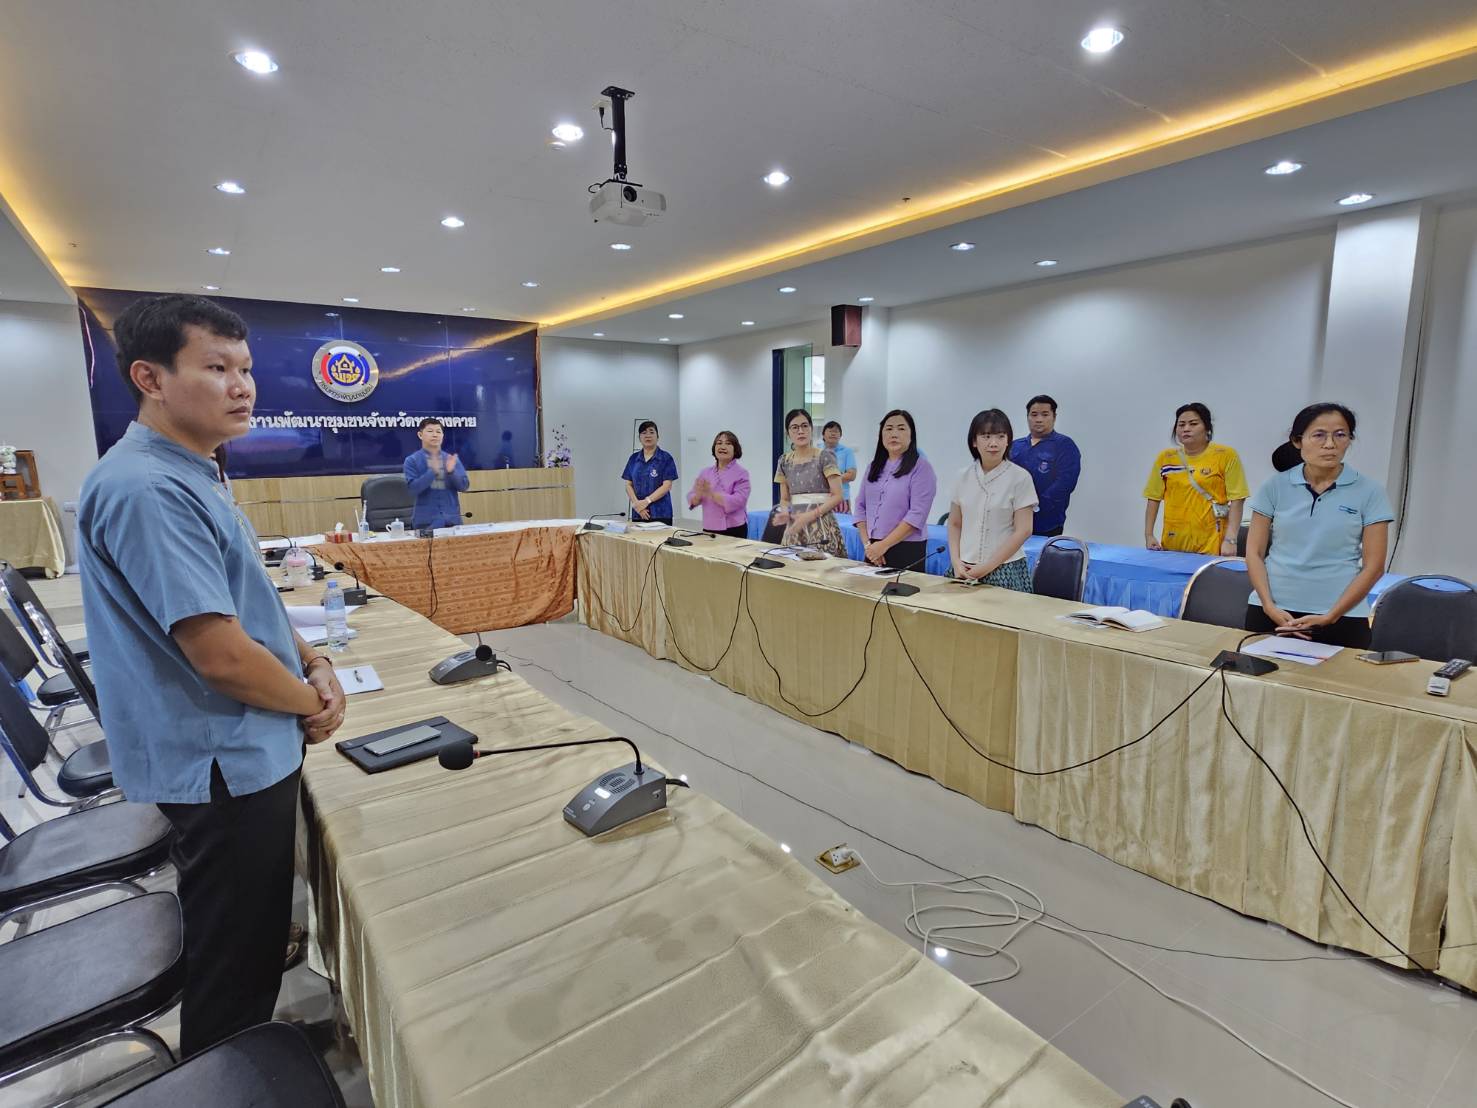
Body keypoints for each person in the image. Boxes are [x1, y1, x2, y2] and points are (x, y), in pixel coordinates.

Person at [76, 294, 346, 1057]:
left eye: (247, 369)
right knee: (233, 958)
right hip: (220, 757)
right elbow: (219, 653)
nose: (242, 387)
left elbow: (247, 600)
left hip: (239, 743)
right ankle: (228, 1076)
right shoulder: (147, 487)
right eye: (216, 367)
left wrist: (316, 663)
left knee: (252, 930)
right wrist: (312, 706)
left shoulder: (190, 469)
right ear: (149, 378)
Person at [1244, 403, 1393, 648]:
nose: (1330, 444)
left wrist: (1331, 615)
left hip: (1341, 616)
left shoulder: (1370, 492)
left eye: (1340, 435)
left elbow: (1374, 566)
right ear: (1297, 441)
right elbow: (1255, 553)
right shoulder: (1274, 487)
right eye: (1319, 435)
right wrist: (1269, 606)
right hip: (1271, 611)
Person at [947, 409, 1038, 590]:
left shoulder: (1020, 477)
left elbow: (1024, 530)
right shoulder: (962, 476)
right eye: (986, 436)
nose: (993, 443)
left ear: (1008, 441)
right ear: (974, 441)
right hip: (964, 568)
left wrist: (986, 567)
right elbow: (955, 523)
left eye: (1000, 436)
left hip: (1005, 568)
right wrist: (956, 562)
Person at [1142, 402, 1248, 555]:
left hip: (1212, 541)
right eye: (1181, 424)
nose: (1186, 429)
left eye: (1193, 424)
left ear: (1207, 427)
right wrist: (1149, 534)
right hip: (1174, 541)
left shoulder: (1225, 455)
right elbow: (1153, 497)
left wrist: (1230, 540)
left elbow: (1238, 499)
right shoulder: (1166, 458)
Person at [853, 410, 937, 571]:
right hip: (872, 548)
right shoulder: (873, 466)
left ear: (911, 435)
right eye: (889, 429)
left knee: (899, 596)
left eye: (901, 428)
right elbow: (860, 505)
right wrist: (868, 546)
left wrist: (883, 546)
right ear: (881, 434)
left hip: (906, 547)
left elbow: (917, 514)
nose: (894, 434)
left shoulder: (922, 468)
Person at [773, 408, 846, 556]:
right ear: (788, 434)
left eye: (805, 426)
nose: (801, 431)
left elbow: (838, 495)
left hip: (821, 522)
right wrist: (785, 512)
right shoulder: (784, 460)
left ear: (811, 430)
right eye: (795, 427)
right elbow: (785, 498)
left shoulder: (825, 456)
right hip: (795, 524)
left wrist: (810, 515)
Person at [1009, 394, 1081, 537]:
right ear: (1028, 417)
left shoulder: (1064, 445)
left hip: (1046, 523)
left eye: (1045, 414)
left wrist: (1035, 505)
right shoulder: (1015, 446)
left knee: (1043, 558)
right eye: (1034, 414)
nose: (1039, 419)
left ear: (1054, 417)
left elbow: (1065, 482)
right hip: (1012, 521)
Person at [403, 417, 469, 529]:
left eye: (438, 432)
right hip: (425, 523)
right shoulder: (412, 460)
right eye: (430, 431)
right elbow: (413, 489)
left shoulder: (451, 459)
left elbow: (464, 486)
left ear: (443, 436)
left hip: (452, 521)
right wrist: (432, 471)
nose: (435, 435)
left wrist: (451, 472)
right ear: (420, 435)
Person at [687, 430, 751, 537]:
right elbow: (692, 496)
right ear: (714, 448)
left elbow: (739, 500)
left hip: (734, 528)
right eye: (719, 443)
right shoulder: (705, 472)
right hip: (709, 527)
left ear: (735, 450)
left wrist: (711, 494)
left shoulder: (741, 473)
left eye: (728, 443)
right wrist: (697, 496)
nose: (723, 446)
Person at [622, 420, 678, 523]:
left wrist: (646, 501)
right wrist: (637, 505)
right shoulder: (633, 458)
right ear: (639, 438)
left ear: (658, 437)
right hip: (638, 513)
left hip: (661, 513)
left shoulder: (666, 458)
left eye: (651, 432)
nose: (648, 435)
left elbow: (667, 486)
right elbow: (628, 485)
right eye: (644, 433)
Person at [820, 420, 858, 513]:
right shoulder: (817, 451)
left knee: (842, 526)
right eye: (830, 431)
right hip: (821, 498)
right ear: (823, 435)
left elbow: (851, 475)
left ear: (840, 436)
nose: (833, 433)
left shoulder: (847, 451)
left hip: (841, 499)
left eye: (836, 431)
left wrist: (828, 479)